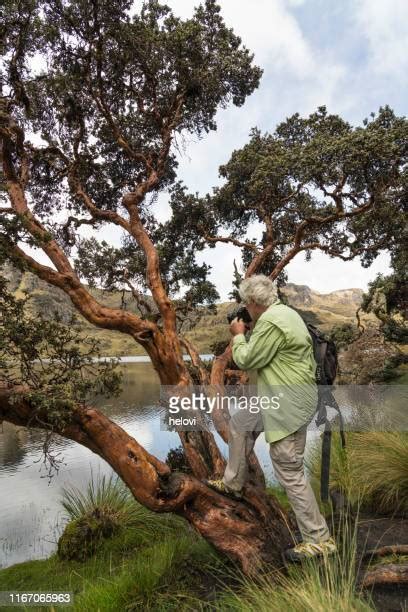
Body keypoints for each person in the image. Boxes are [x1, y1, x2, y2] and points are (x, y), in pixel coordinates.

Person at [206, 274, 336, 561]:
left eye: (246, 304)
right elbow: (265, 356)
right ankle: (233, 483)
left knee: (288, 470)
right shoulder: (282, 315)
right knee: (241, 423)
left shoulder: (273, 321)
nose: (245, 310)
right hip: (278, 400)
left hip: (288, 406)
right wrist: (249, 333)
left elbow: (247, 359)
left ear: (253, 302)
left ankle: (319, 541)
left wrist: (239, 334)